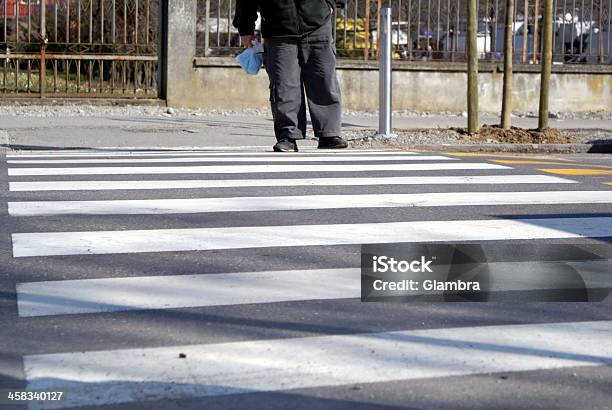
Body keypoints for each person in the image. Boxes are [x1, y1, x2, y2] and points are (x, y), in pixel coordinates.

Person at [233, 0, 348, 152]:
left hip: (317, 23)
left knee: (324, 80)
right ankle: (287, 135)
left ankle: (328, 134)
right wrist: (245, 28)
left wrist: (331, 4)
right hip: (277, 29)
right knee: (284, 85)